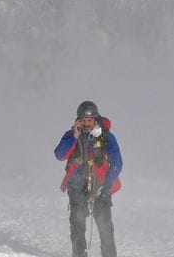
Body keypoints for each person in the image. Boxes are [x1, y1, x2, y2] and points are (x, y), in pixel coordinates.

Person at [54, 101, 122, 257]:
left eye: (89, 120)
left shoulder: (106, 137)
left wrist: (106, 185)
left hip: (100, 184)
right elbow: (59, 155)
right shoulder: (71, 135)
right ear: (78, 120)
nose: (86, 123)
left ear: (95, 120)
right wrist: (74, 136)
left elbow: (117, 162)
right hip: (76, 185)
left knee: (105, 226)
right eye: (83, 120)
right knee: (77, 225)